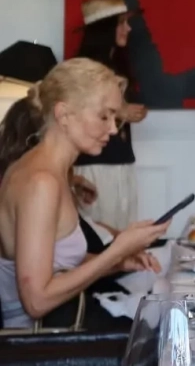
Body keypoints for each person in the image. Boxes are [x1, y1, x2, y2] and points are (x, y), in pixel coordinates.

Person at [0, 59, 167, 329]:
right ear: (64, 114)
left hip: (62, 328)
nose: (113, 129)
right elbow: (36, 301)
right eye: (104, 116)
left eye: (114, 118)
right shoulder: (41, 183)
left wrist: (118, 262)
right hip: (40, 344)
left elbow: (57, 264)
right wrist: (115, 252)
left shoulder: (48, 171)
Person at [74, 0, 146, 228]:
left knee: (123, 233)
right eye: (121, 22)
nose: (128, 28)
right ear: (105, 29)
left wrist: (130, 112)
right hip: (95, 166)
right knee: (102, 234)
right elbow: (76, 114)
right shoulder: (81, 71)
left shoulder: (117, 65)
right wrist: (120, 112)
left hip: (122, 161)